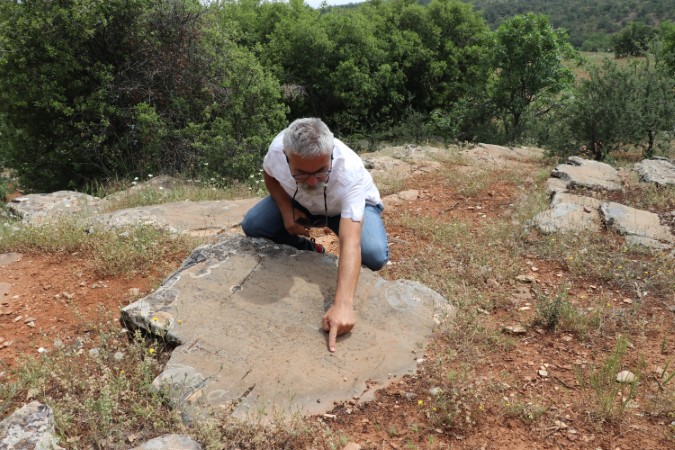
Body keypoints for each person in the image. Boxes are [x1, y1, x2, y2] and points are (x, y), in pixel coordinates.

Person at [241, 118, 389, 352]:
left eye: (321, 171)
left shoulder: (349, 170)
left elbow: (350, 241)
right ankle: (311, 249)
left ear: (331, 155)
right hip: (302, 204)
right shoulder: (277, 150)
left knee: (373, 253)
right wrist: (286, 210)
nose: (311, 181)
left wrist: (343, 305)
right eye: (300, 173)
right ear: (287, 157)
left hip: (344, 210)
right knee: (254, 225)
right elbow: (269, 174)